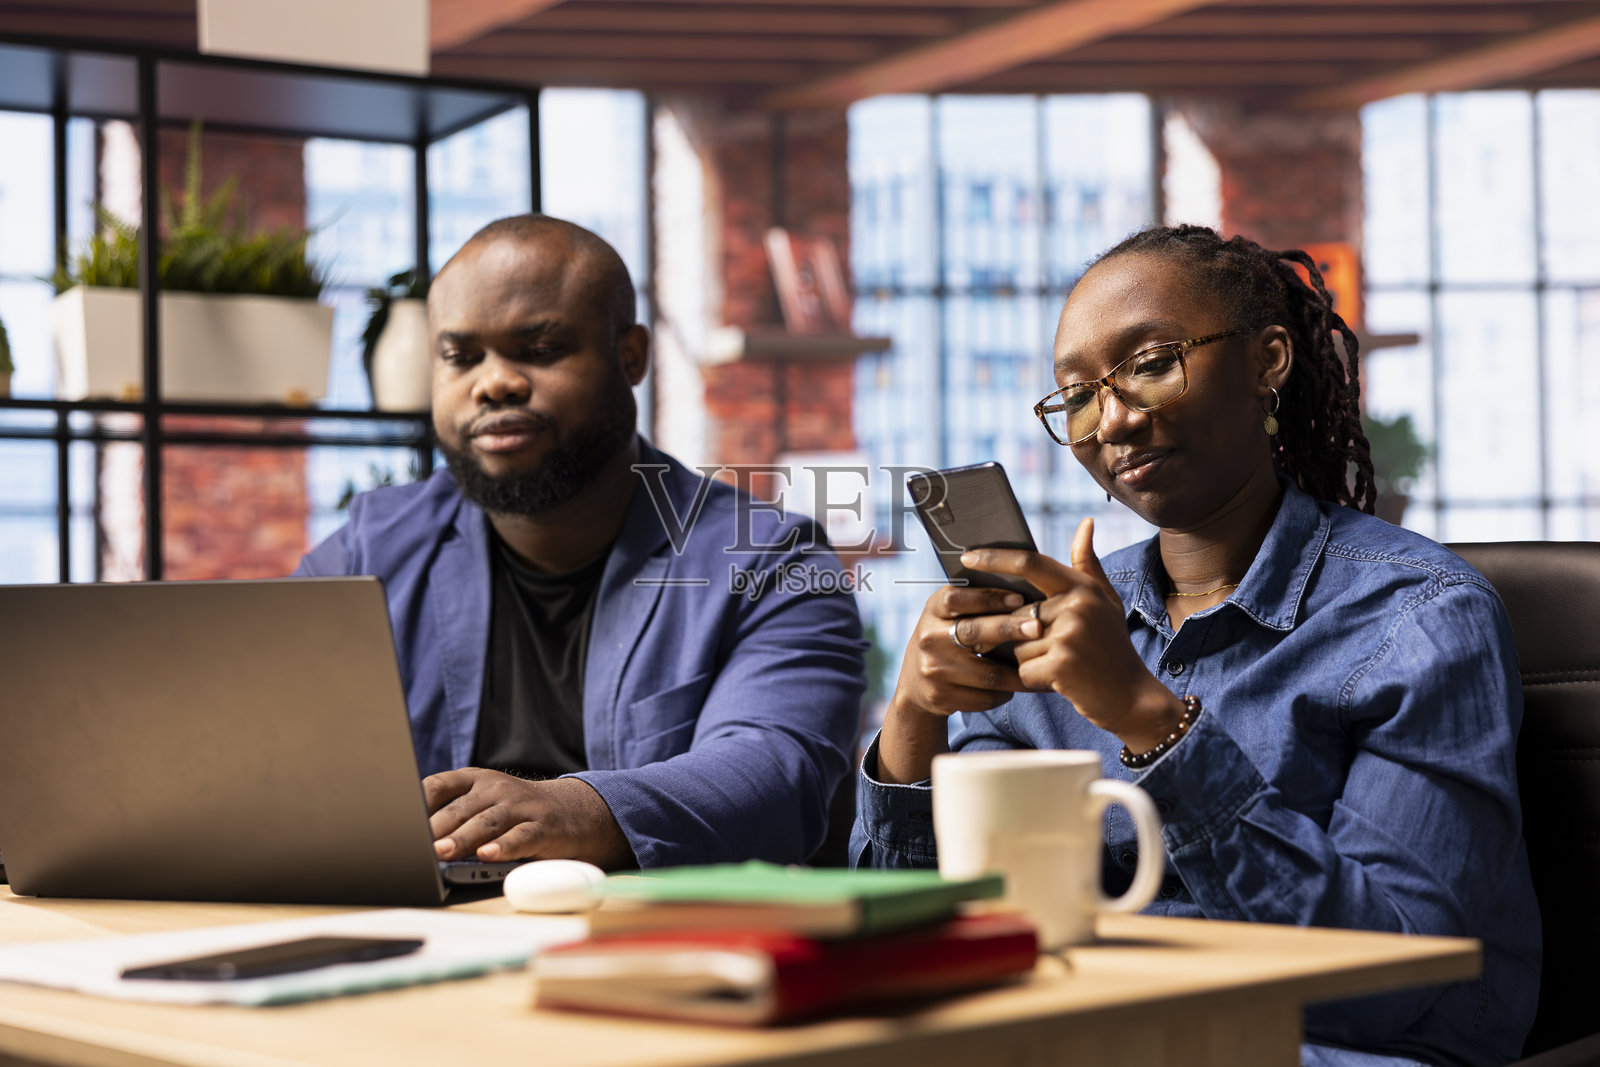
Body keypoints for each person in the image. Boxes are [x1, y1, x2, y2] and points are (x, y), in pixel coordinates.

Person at [853, 224, 1540, 1066]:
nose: (1112, 419)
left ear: (1269, 360)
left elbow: (1392, 980)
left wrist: (1147, 717)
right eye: (1075, 394)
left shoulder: (1419, 617)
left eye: (1150, 362)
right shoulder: (1067, 620)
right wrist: (914, 724)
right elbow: (919, 952)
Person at [298, 214, 866, 872]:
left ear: (631, 356)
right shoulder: (371, 550)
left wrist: (581, 808)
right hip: (427, 933)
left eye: (539, 348)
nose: (493, 383)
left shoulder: (773, 560)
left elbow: (776, 773)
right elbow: (268, 743)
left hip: (657, 942)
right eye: (461, 357)